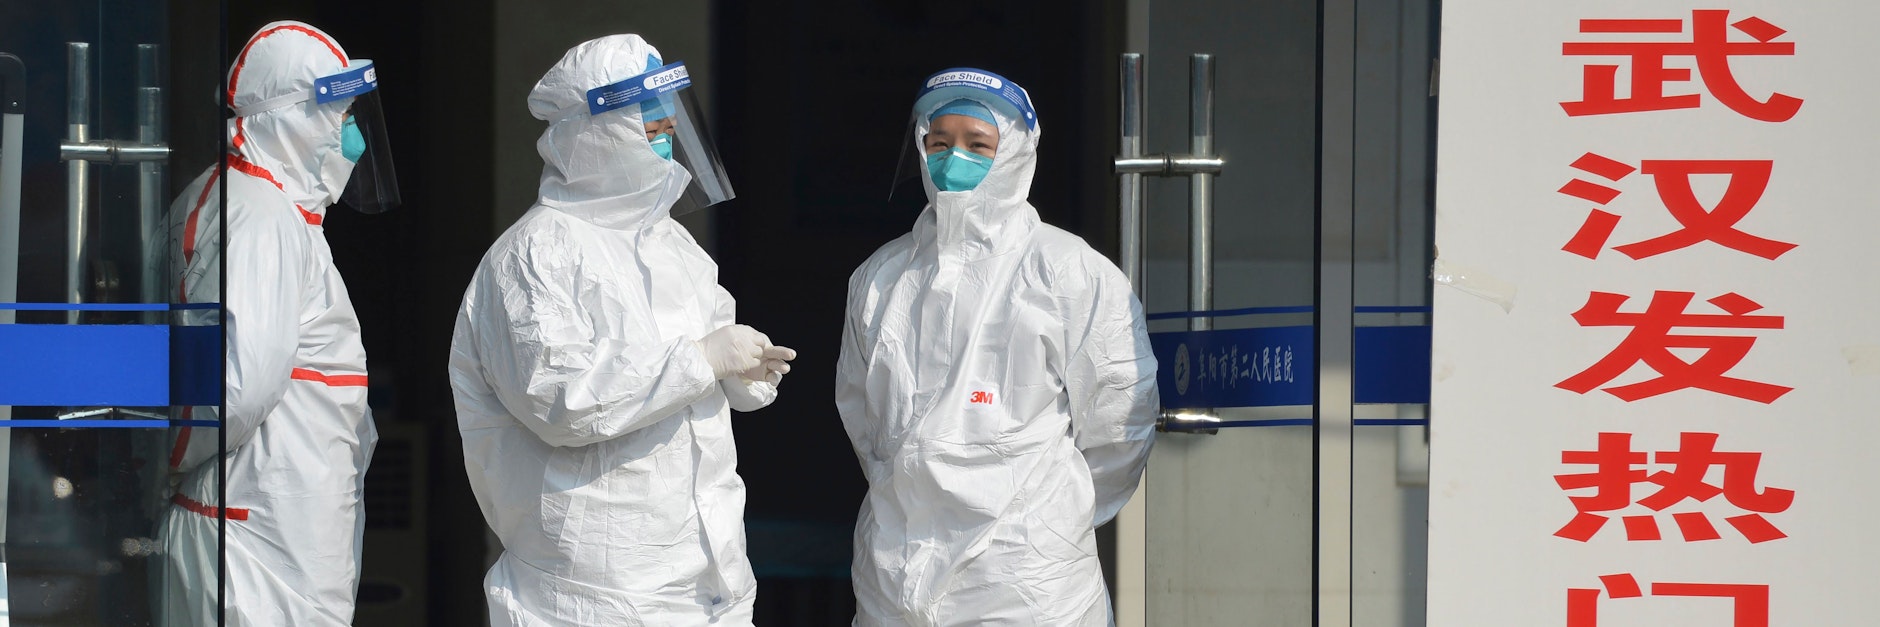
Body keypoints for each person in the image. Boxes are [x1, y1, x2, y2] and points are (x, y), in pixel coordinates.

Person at [448, 34, 793, 626]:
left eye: (669, 131)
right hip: (592, 586)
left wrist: (743, 373)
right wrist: (700, 362)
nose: (666, 150)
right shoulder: (535, 255)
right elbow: (562, 402)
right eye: (649, 132)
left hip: (706, 570)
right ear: (593, 134)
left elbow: (711, 345)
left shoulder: (671, 244)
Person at [837, 68, 1160, 626]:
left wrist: (1051, 518)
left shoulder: (1069, 271)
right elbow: (864, 419)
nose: (953, 158)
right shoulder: (881, 278)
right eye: (939, 142)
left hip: (1027, 581)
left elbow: (1120, 423)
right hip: (897, 572)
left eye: (977, 144)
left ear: (1014, 151)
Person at [156, 20, 398, 626]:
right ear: (291, 117)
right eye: (340, 119)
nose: (355, 143)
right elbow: (235, 390)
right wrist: (162, 460)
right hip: (255, 549)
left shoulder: (265, 209)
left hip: (274, 537)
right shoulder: (260, 217)